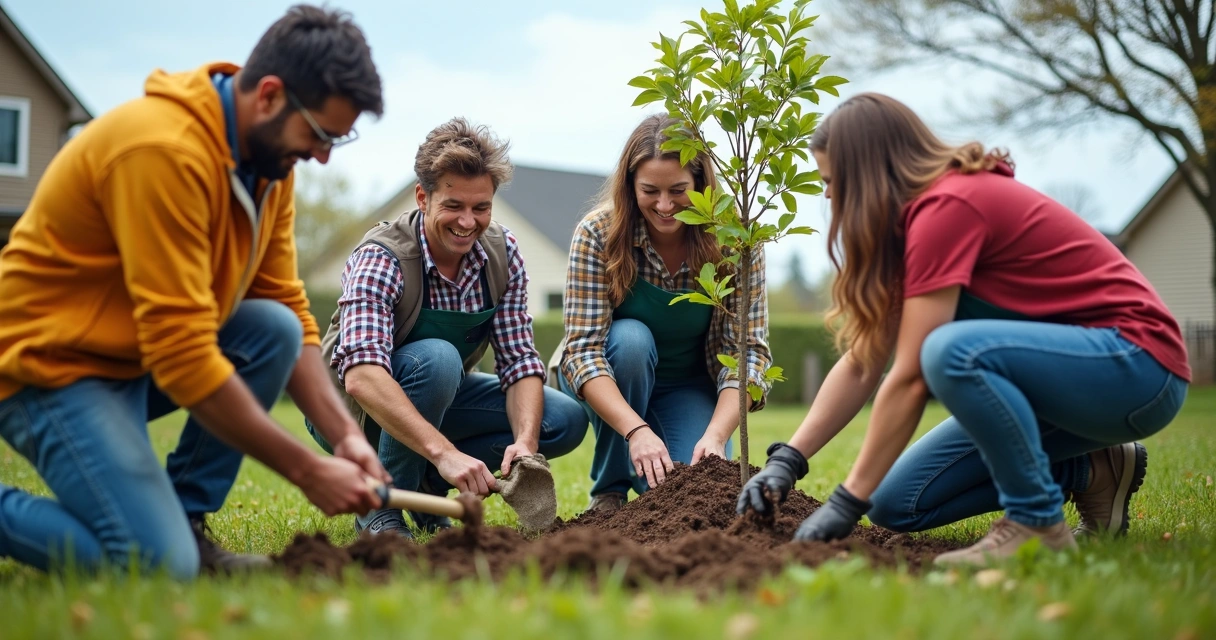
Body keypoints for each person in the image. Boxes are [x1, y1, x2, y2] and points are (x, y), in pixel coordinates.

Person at [0, 5, 393, 579]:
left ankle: (182, 519)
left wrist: (344, 438)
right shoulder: (161, 152)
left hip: (128, 359)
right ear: (269, 94)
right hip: (49, 368)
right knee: (152, 564)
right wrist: (307, 471)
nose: (323, 154)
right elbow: (181, 354)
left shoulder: (268, 165)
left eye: (339, 137)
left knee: (274, 331)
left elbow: (286, 305)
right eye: (319, 132)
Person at [736, 93, 1190, 565]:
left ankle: (1036, 522)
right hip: (1063, 389)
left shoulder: (950, 205)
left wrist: (846, 501)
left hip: (1136, 367)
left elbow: (911, 375)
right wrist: (787, 461)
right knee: (896, 503)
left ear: (868, 173)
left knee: (949, 352)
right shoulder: (914, 228)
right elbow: (864, 361)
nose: (828, 195)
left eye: (833, 180)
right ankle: (1090, 470)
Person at [311, 117, 588, 537]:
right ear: (423, 197)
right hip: (348, 413)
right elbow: (362, 378)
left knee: (563, 418)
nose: (467, 222)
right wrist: (444, 452)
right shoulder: (382, 257)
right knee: (438, 358)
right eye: (453, 206)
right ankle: (380, 505)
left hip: (433, 397)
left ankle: (427, 490)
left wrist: (526, 444)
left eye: (481, 208)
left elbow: (519, 361)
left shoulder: (502, 252)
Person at [553, 114, 772, 512]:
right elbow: (583, 350)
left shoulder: (735, 241)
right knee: (631, 339)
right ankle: (609, 490)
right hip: (612, 373)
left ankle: (648, 475)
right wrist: (636, 430)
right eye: (650, 191)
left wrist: (716, 434)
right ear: (630, 185)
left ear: (702, 184)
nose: (666, 205)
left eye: (679, 190)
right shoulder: (598, 234)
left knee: (691, 486)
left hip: (686, 386)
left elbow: (747, 352)